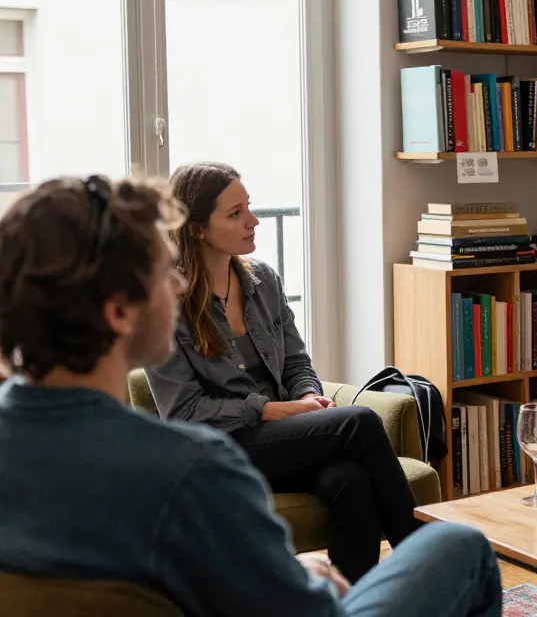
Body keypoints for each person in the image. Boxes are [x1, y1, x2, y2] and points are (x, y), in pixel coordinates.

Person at [0, 174, 501, 616]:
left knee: (348, 478)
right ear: (118, 312)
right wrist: (313, 584)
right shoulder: (197, 470)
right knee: (460, 544)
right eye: (161, 272)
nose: (177, 285)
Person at [144, 162, 421, 582]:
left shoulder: (263, 282)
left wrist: (307, 397)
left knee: (349, 479)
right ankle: (423, 561)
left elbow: (295, 362)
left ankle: (351, 605)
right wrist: (273, 411)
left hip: (281, 440)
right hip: (219, 449)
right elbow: (183, 412)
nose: (252, 221)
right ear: (197, 227)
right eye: (235, 214)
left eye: (249, 208)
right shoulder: (167, 302)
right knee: (359, 421)